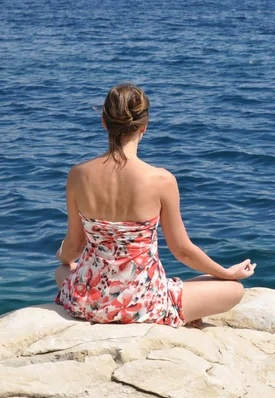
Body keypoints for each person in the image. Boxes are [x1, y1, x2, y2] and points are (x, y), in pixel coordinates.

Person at [54, 83, 256, 327]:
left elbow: (75, 245)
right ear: (144, 127)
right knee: (233, 290)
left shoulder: (78, 175)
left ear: (104, 123)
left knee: (62, 271)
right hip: (142, 302)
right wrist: (227, 273)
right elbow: (182, 250)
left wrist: (63, 257)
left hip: (88, 302)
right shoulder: (161, 180)